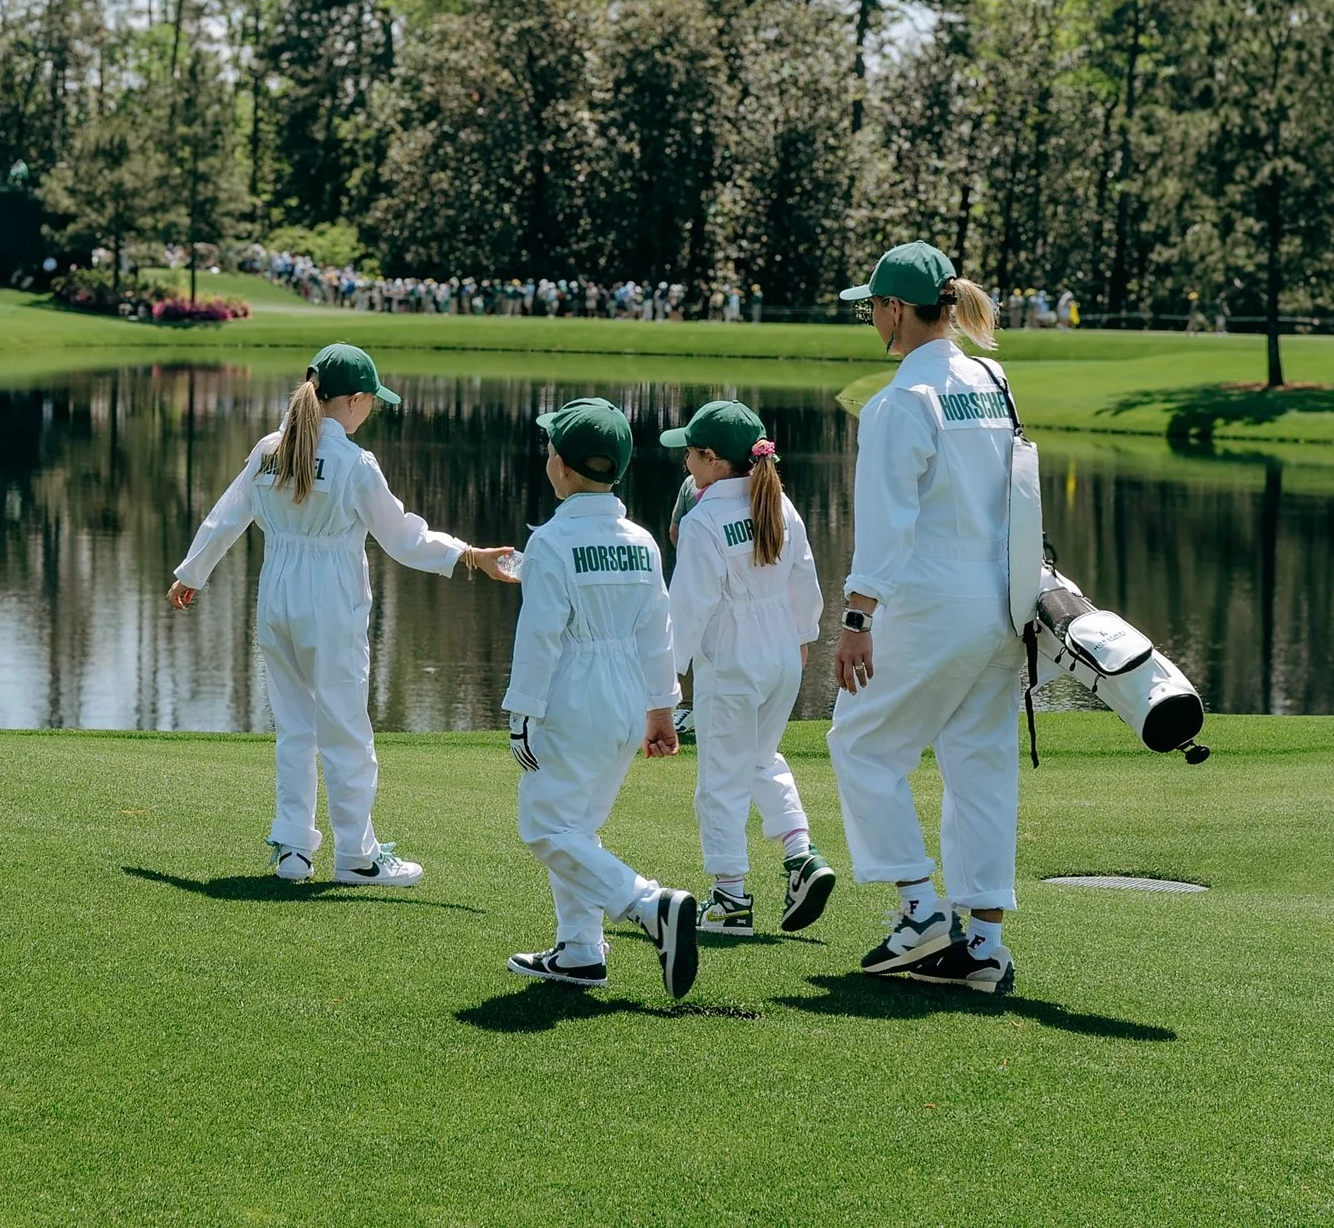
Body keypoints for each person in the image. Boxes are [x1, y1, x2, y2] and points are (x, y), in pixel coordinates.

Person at [167, 344, 514, 887]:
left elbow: (225, 517)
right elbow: (404, 538)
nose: (370, 411)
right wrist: (470, 555)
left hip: (276, 595)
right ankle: (357, 853)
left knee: (294, 727)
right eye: (370, 402)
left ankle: (293, 850)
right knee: (347, 730)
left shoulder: (268, 449)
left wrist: (191, 574)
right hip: (329, 601)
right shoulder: (355, 464)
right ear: (352, 401)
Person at [828, 241, 1020, 993]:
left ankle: (918, 912)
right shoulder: (993, 380)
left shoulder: (902, 401)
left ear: (897, 311)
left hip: (935, 601)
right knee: (980, 765)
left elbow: (887, 520)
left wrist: (856, 615)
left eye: (872, 306)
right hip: (1003, 603)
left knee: (861, 745)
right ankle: (983, 949)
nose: (869, 317)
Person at [502, 398, 699, 997]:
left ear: (560, 465)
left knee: (544, 826)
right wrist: (661, 710)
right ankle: (581, 950)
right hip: (623, 697)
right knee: (577, 827)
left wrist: (521, 714)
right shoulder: (641, 541)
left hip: (572, 692)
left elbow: (539, 637)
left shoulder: (553, 542)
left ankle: (646, 904)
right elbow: (657, 632)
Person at [659, 401, 836, 937]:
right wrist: (803, 638)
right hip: (783, 652)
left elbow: (687, 608)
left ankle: (729, 898)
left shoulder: (704, 519)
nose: (686, 464)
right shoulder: (781, 505)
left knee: (720, 780)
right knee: (759, 758)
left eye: (690, 454)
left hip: (731, 658)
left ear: (712, 459)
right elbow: (805, 581)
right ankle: (800, 853)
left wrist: (665, 685)